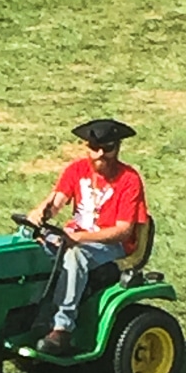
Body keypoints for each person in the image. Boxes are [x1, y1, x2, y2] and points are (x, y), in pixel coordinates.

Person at [26, 119, 148, 356]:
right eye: (95, 148)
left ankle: (62, 327)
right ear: (86, 146)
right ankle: (31, 314)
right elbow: (56, 201)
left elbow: (123, 231)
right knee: (30, 244)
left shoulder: (129, 180)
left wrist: (79, 238)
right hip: (76, 235)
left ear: (118, 147)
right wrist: (40, 213)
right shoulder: (76, 170)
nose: (100, 155)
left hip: (111, 245)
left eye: (108, 148)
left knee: (75, 256)